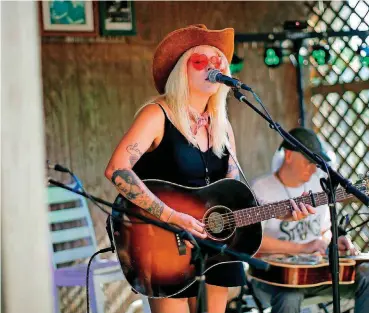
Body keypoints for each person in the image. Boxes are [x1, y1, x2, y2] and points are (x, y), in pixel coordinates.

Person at [105, 25, 315, 313]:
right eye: (201, 60)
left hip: (216, 249)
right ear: (182, 71)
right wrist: (171, 216)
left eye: (219, 61)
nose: (213, 66)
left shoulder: (222, 128)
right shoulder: (157, 115)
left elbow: (229, 198)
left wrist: (277, 211)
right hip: (162, 244)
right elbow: (117, 169)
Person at [251, 127, 369, 313]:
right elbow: (253, 244)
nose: (314, 168)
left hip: (315, 274)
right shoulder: (261, 189)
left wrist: (334, 242)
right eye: (308, 162)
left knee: (367, 278)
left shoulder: (320, 185)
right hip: (273, 278)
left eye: (316, 163)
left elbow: (324, 232)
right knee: (290, 296)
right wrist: (302, 248)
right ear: (288, 156)